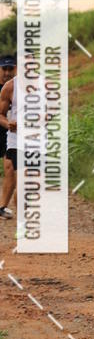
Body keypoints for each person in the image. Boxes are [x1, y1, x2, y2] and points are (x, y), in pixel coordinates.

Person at [0, 54, 16, 219]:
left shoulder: (17, 87)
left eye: (10, 69)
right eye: (4, 69)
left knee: (10, 168)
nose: (7, 72)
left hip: (9, 133)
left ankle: (2, 206)